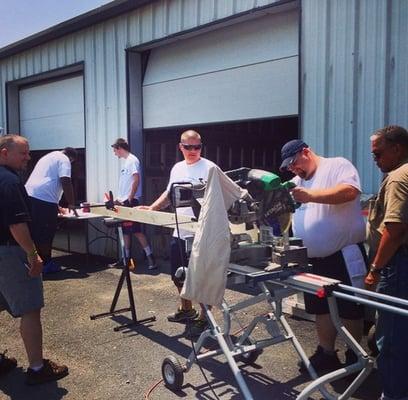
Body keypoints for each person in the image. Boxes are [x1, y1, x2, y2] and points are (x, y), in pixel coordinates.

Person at [280, 139, 367, 374]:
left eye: (295, 163)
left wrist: (310, 196)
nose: (293, 169)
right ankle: (327, 352)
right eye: (289, 167)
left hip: (343, 253)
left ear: (306, 152)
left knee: (350, 308)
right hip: (313, 259)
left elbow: (349, 192)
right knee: (321, 308)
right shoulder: (296, 182)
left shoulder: (337, 166)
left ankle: (355, 355)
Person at [0, 134, 68, 384]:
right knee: (30, 309)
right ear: (5, 152)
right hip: (9, 252)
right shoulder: (9, 181)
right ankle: (38, 369)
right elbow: (17, 224)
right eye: (23, 153)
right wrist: (33, 255)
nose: (28, 158)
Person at [138, 130, 216, 338]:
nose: (192, 151)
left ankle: (205, 318)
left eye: (196, 147)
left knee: (199, 278)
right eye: (188, 147)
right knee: (178, 275)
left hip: (200, 233)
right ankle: (186, 310)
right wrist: (153, 208)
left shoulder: (210, 168)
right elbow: (169, 194)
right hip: (179, 231)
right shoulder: (178, 168)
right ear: (180, 147)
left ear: (201, 146)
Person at [365, 125, 408, 400]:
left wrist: (375, 270)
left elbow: (394, 229)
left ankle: (394, 394)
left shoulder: (397, 178)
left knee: (391, 337)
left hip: (397, 265)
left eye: (378, 154)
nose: (375, 160)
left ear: (397, 148)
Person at [25, 147, 77, 273]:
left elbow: (47, 179)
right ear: (71, 158)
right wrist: (71, 204)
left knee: (34, 231)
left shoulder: (49, 157)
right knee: (46, 233)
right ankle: (45, 264)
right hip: (43, 200)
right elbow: (65, 180)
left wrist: (56, 205)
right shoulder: (64, 159)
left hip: (30, 196)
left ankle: (33, 261)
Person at [110, 138, 156, 270]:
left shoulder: (132, 160)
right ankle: (126, 261)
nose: (115, 153)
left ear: (119, 148)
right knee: (125, 232)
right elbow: (127, 183)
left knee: (136, 231)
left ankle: (151, 258)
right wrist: (119, 199)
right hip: (124, 202)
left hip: (131, 202)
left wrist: (129, 198)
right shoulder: (127, 162)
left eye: (115, 150)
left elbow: (136, 179)